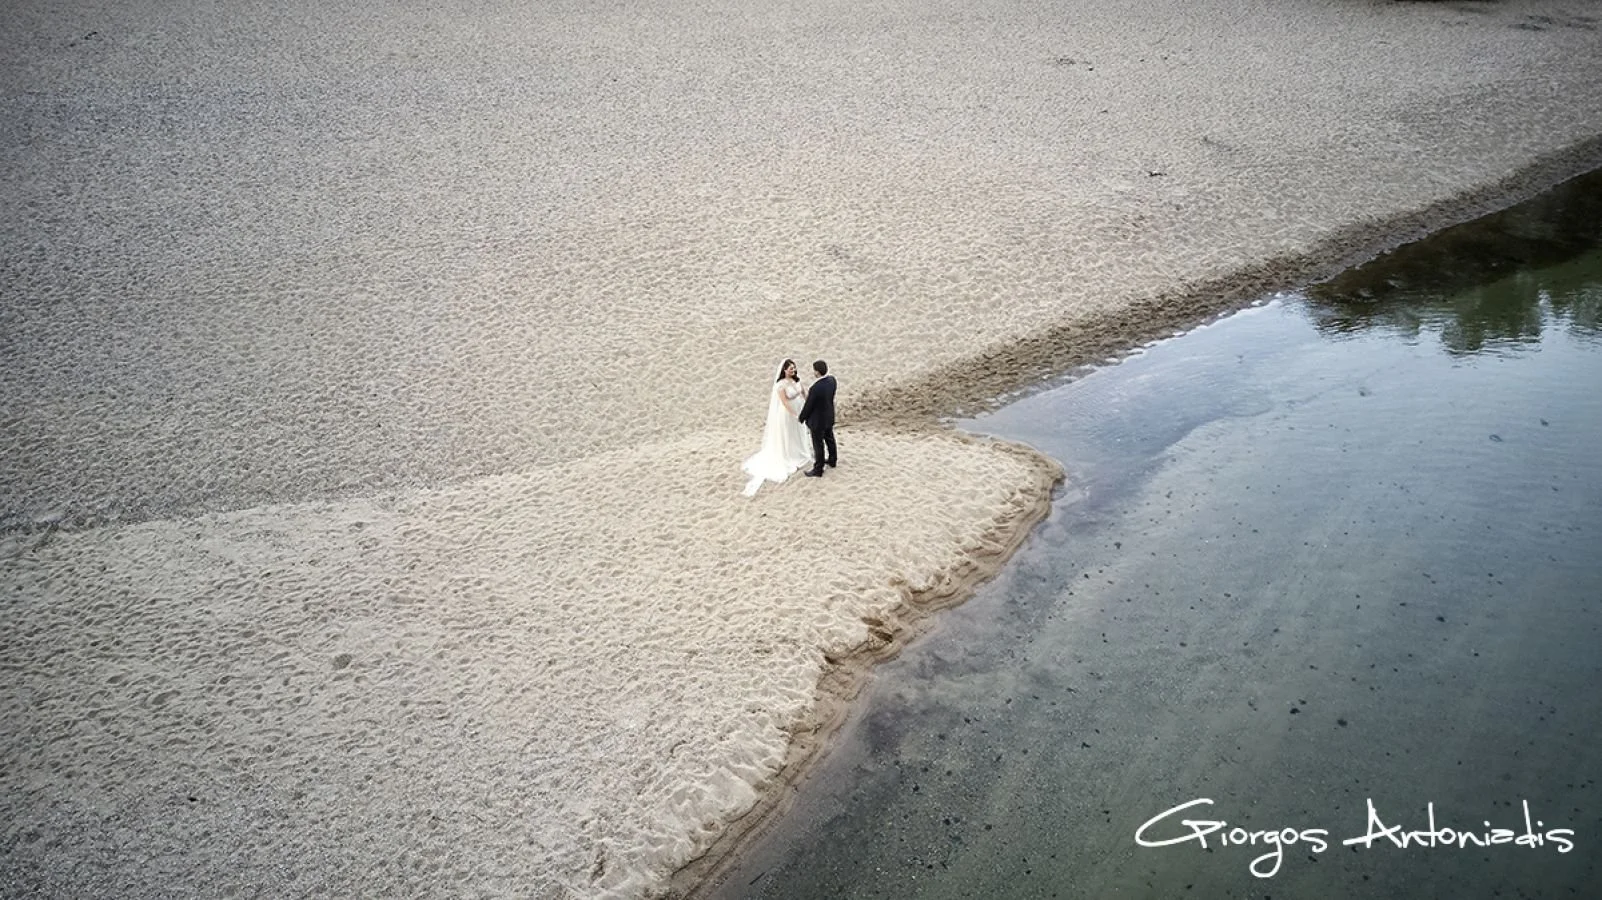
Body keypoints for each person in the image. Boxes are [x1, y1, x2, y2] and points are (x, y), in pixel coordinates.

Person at [741, 359, 813, 496]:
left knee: (798, 433)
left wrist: (808, 406)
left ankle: (799, 451)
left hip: (800, 408)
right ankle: (790, 454)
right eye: (790, 368)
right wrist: (794, 414)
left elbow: (804, 394)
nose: (793, 370)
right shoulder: (780, 385)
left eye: (794, 368)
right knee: (789, 434)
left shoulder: (797, 381)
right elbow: (784, 402)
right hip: (787, 413)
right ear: (784, 370)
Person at [797, 359, 837, 478]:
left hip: (818, 421)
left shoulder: (815, 388)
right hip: (828, 416)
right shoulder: (832, 381)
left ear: (817, 372)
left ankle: (818, 469)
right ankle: (832, 460)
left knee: (818, 444)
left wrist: (801, 417)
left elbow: (809, 405)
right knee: (830, 438)